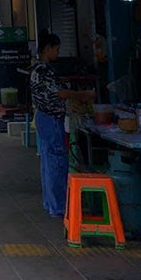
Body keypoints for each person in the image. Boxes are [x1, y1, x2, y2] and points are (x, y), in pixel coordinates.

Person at [31, 32, 95, 217]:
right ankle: (58, 207)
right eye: (57, 49)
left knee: (48, 162)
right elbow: (60, 93)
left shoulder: (36, 69)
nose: (58, 53)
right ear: (48, 48)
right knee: (57, 162)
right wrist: (82, 95)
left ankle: (50, 203)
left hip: (43, 117)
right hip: (51, 119)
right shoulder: (45, 70)